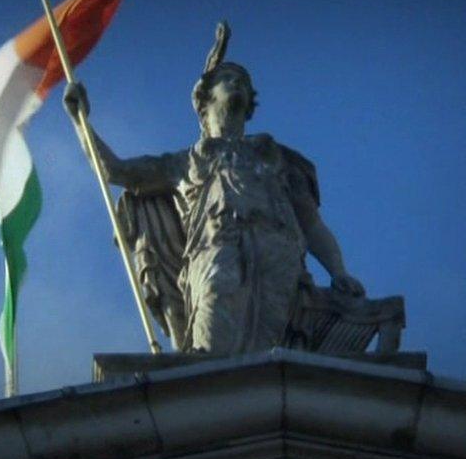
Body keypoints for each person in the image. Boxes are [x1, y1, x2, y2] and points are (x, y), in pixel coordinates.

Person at [62, 23, 365, 355]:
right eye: (227, 78)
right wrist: (81, 122)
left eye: (244, 82)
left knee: (277, 352)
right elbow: (115, 170)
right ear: (204, 99)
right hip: (215, 246)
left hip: (278, 249)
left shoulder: (275, 156)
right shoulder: (183, 163)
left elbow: (311, 223)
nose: (237, 83)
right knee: (212, 334)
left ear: (251, 102)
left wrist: (338, 270)